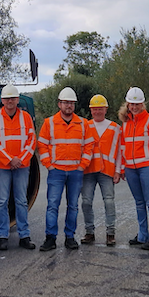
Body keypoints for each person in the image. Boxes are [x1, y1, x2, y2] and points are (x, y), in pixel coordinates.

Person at [38, 87, 92, 250]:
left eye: (71, 103)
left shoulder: (83, 123)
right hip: (56, 171)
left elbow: (89, 146)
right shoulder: (49, 123)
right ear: (59, 104)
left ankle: (70, 237)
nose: (69, 105)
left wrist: (82, 165)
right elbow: (42, 144)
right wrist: (48, 165)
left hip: (76, 171)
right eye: (66, 102)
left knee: (73, 206)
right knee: (52, 205)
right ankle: (50, 238)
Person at [0, 84, 36, 251]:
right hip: (2, 166)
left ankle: (24, 235)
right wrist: (9, 160)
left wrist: (20, 159)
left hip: (21, 165)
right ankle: (3, 236)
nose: (10, 101)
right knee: (2, 201)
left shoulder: (26, 117)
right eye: (7, 99)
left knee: (21, 201)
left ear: (17, 100)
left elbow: (32, 140)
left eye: (13, 98)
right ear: (2, 100)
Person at [121, 87, 149, 251]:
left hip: (147, 167)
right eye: (131, 104)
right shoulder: (125, 122)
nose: (134, 107)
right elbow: (123, 146)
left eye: (137, 104)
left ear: (142, 104)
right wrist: (123, 167)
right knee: (139, 203)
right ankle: (142, 235)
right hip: (131, 168)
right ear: (128, 104)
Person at [80, 94, 122, 247]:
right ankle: (89, 232)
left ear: (106, 109)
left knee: (109, 202)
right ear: (91, 110)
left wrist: (118, 170)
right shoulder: (85, 126)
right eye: (94, 109)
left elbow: (119, 151)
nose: (97, 112)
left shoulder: (115, 128)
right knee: (86, 202)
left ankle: (110, 233)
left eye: (100, 109)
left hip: (107, 171)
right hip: (88, 170)